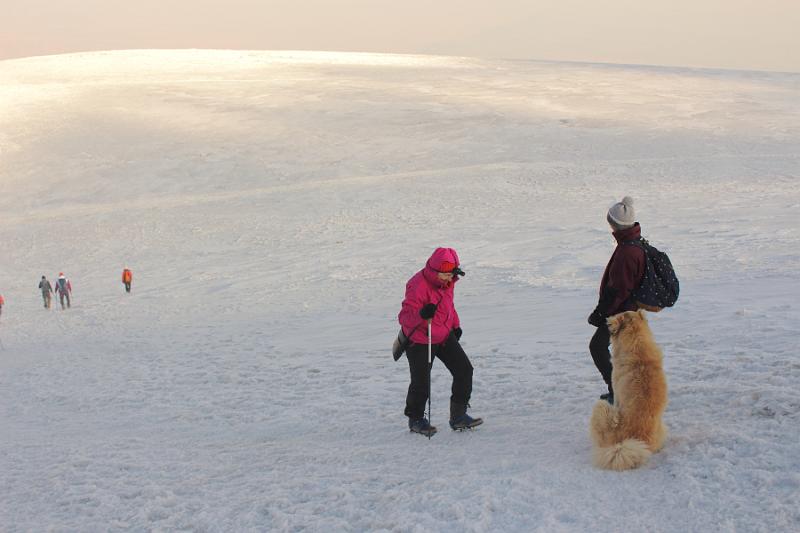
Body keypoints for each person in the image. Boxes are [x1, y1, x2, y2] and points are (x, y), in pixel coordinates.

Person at [397, 247, 483, 436]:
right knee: (421, 381)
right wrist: (422, 314)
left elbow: (448, 306)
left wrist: (455, 325)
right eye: (444, 275)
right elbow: (404, 317)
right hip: (420, 339)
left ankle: (458, 416)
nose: (448, 279)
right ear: (434, 271)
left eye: (451, 274)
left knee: (464, 370)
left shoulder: (449, 282)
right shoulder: (417, 285)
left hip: (443, 334)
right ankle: (416, 419)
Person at [588, 196, 646, 405]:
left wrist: (600, 313)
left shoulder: (627, 251)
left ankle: (618, 391)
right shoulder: (633, 243)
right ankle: (624, 390)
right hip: (628, 310)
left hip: (621, 313)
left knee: (597, 347)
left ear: (615, 223)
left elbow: (619, 290)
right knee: (623, 352)